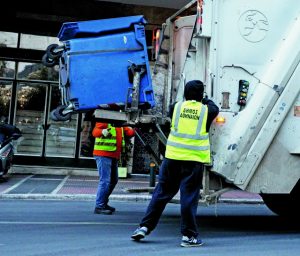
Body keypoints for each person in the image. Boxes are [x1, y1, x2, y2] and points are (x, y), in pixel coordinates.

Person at [131, 80, 219, 247]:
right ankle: (189, 236)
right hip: (193, 161)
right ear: (201, 95)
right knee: (188, 197)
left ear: (185, 93)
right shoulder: (206, 110)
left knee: (161, 193)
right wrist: (204, 99)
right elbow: (213, 106)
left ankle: (144, 227)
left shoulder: (176, 107)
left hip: (172, 159)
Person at [92, 122, 135, 215]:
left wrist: (138, 127)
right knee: (105, 181)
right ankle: (99, 206)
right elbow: (95, 132)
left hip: (113, 155)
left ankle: (103, 203)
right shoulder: (105, 119)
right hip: (103, 154)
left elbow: (130, 132)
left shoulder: (120, 123)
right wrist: (102, 131)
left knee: (113, 180)